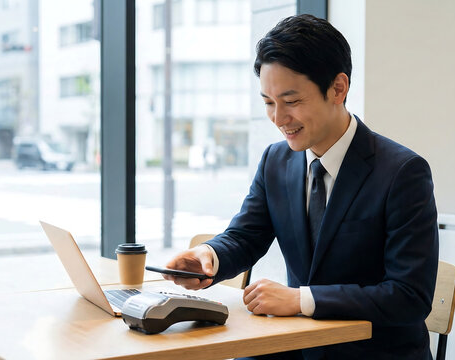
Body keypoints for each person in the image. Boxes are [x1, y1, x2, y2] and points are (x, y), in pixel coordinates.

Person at [164, 14, 439, 360]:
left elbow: (408, 296)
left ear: (338, 88)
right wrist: (209, 257)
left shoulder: (403, 172)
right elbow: (246, 237)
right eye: (268, 102)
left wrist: (300, 299)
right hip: (298, 345)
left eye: (291, 101)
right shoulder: (276, 161)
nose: (278, 119)